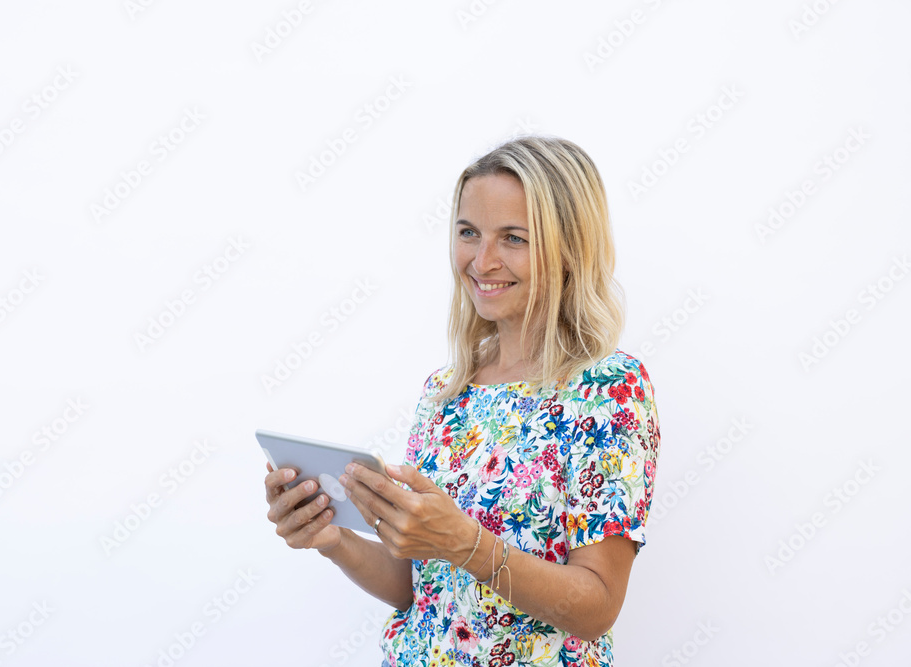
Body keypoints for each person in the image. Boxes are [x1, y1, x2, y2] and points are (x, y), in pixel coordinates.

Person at [264, 135, 661, 667]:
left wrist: (466, 545)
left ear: (569, 248)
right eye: (469, 233)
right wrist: (331, 536)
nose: (482, 260)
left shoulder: (608, 389)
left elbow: (596, 606)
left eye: (514, 238)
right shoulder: (446, 391)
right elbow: (419, 590)